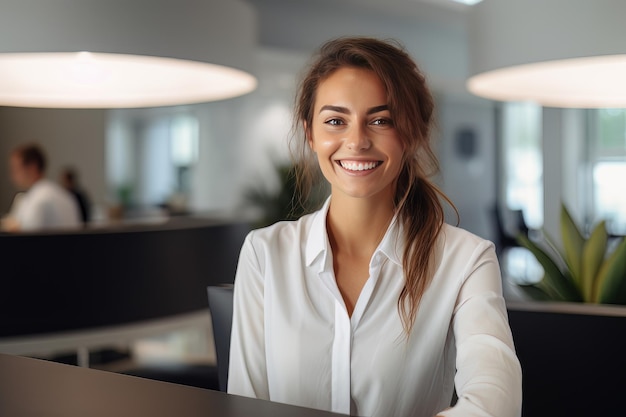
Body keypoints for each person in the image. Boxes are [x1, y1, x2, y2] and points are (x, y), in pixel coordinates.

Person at [227, 37, 522, 417]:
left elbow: (494, 402)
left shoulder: (466, 260)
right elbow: (245, 405)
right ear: (311, 134)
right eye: (336, 121)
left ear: (412, 134)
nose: (357, 141)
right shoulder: (265, 253)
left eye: (381, 120)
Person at [2, 143, 81, 232]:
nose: (12, 176)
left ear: (32, 167)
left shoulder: (37, 200)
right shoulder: (64, 195)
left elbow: (26, 239)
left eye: (15, 169)